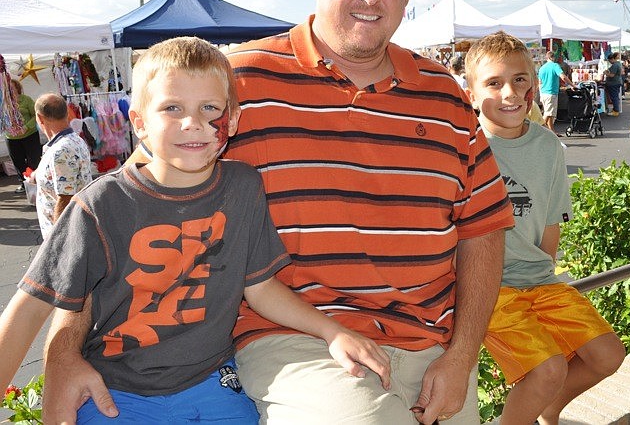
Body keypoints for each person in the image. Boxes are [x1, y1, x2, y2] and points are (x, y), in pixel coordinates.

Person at [42, 0, 514, 425]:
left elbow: (483, 230)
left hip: (432, 352)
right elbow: (126, 204)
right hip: (301, 342)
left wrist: (463, 354)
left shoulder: (443, 94)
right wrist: (63, 349)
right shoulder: (236, 83)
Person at [0, 37, 391, 423]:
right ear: (139, 122)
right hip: (119, 393)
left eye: (210, 108)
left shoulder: (243, 187)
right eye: (172, 108)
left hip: (214, 384)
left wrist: (333, 332)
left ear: (232, 120)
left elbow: (261, 288)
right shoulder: (100, 205)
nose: (194, 124)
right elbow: (29, 307)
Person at [463, 31, 625, 425]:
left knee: (608, 355)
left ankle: (550, 407)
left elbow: (550, 223)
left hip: (539, 280)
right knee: (547, 370)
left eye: (520, 79)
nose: (510, 93)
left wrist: (544, 278)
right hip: (490, 286)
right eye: (494, 83)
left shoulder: (549, 147)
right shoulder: (466, 147)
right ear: (470, 95)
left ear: (534, 84)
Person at [31, 93, 92, 239]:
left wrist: (57, 241)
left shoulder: (62, 150)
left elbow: (65, 197)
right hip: (75, 228)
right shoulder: (71, 140)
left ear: (40, 118)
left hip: (66, 234)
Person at [4, 79, 42, 194]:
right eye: (8, 88)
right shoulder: (3, 102)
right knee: (18, 161)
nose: (10, 90)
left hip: (30, 135)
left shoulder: (26, 100)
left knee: (34, 159)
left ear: (17, 88)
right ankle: (24, 183)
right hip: (12, 137)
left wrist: (26, 127)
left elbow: (36, 114)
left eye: (12, 87)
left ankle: (37, 181)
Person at [538, 50, 576, 135]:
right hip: (551, 93)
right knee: (548, 113)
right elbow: (563, 77)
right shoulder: (555, 66)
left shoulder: (542, 68)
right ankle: (538, 131)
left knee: (550, 113)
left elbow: (539, 82)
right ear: (553, 57)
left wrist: (540, 94)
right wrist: (572, 85)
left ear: (546, 58)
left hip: (544, 93)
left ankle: (552, 132)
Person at [604, 52, 623, 116]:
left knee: (614, 97)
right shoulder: (618, 64)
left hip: (613, 83)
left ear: (612, 59)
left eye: (610, 61)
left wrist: (606, 74)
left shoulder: (615, 65)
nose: (610, 62)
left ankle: (615, 111)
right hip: (616, 82)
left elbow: (612, 75)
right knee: (615, 97)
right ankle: (615, 109)